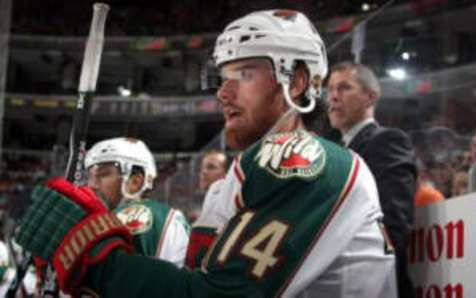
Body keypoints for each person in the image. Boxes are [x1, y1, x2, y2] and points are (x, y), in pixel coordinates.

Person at [15, 10, 397, 297]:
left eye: (244, 74)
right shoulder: (237, 180)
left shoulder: (306, 160)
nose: (224, 93)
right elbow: (191, 284)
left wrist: (96, 261)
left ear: (296, 81)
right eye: (223, 77)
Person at [326, 61, 417, 298]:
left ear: (370, 97)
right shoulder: (332, 153)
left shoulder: (387, 141)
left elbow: (393, 224)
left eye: (344, 88)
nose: (333, 97)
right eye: (330, 89)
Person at [84, 137, 190, 266]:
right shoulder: (168, 215)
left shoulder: (134, 215)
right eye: (91, 177)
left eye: (103, 174)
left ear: (135, 181)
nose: (92, 185)